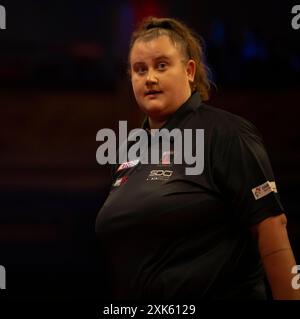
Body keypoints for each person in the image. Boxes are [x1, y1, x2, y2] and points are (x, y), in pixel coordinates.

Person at [95, 16, 300, 300]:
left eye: (162, 66)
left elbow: (272, 231)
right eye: (139, 70)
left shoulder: (227, 133)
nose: (150, 77)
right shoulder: (129, 150)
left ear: (189, 70)